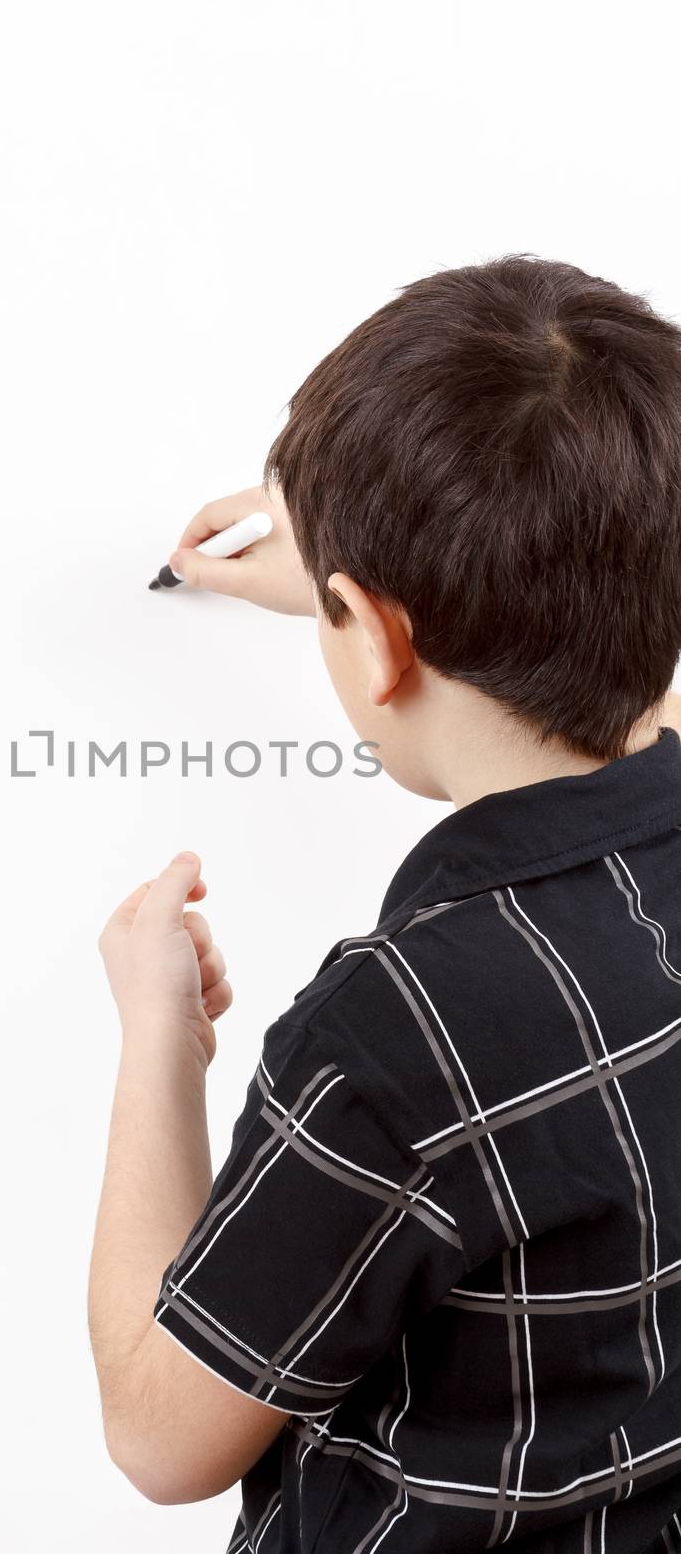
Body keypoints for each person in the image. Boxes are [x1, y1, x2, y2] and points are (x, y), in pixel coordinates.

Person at [86, 257, 681, 1553]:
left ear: (373, 638)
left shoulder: (410, 1028)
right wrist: (371, 577)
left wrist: (158, 1039)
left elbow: (160, 1433)